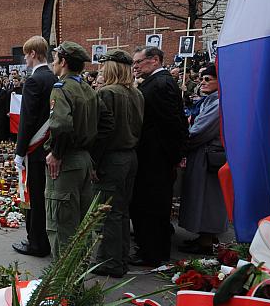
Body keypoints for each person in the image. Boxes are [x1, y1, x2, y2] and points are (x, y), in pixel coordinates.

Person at [44, 42, 113, 257]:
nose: (53, 63)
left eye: (55, 58)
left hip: (67, 162)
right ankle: (77, 280)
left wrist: (57, 153)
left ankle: (64, 287)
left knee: (61, 225)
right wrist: (91, 156)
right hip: (84, 160)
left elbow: (62, 125)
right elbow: (106, 123)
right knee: (82, 226)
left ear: (63, 62)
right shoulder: (87, 89)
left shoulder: (62, 88)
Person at [129, 46, 188, 266]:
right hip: (155, 157)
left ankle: (152, 253)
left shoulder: (160, 84)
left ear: (154, 60)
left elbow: (171, 124)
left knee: (151, 207)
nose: (135, 66)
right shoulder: (156, 82)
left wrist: (172, 157)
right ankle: (150, 249)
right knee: (149, 206)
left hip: (155, 159)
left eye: (138, 62)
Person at [92, 50, 144, 278]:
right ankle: (119, 258)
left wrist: (94, 163)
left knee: (108, 212)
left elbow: (102, 133)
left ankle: (110, 262)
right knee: (121, 211)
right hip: (130, 156)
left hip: (112, 158)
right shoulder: (136, 93)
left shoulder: (107, 93)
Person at [12, 36, 58, 258]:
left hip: (35, 149)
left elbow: (27, 120)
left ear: (33, 54)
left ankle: (36, 243)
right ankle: (43, 239)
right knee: (44, 197)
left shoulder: (33, 80)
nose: (25, 58)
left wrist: (20, 152)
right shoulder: (54, 77)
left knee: (35, 197)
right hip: (48, 147)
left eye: (26, 54)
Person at [178, 64, 228, 254]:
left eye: (208, 79)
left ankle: (207, 240)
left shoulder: (218, 103)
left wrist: (183, 142)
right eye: (201, 78)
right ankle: (205, 236)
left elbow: (200, 131)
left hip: (208, 156)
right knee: (201, 197)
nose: (203, 82)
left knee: (207, 198)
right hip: (202, 153)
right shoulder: (209, 100)